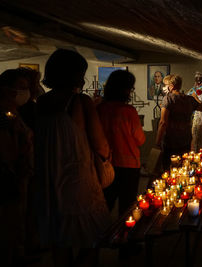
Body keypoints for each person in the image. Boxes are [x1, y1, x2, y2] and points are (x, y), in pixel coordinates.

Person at [35, 49, 111, 267]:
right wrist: (105, 158)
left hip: (49, 177)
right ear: (75, 74)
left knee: (60, 237)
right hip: (77, 177)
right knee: (92, 235)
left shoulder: (41, 102)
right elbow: (100, 143)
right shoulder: (80, 101)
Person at [97, 70, 146, 218]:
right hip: (129, 166)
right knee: (127, 208)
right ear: (125, 89)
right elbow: (140, 139)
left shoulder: (100, 109)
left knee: (105, 203)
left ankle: (102, 236)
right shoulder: (128, 111)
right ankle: (124, 238)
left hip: (105, 164)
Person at [0, 69, 33, 267]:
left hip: (19, 174)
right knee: (8, 223)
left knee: (17, 220)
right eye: (20, 88)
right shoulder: (4, 116)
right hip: (8, 176)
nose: (22, 93)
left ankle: (17, 254)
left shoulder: (14, 113)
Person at [156, 74, 202, 168]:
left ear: (171, 86)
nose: (165, 87)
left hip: (171, 142)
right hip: (186, 140)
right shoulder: (189, 99)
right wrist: (195, 97)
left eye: (166, 85)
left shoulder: (168, 99)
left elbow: (163, 123)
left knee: (169, 169)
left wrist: (157, 143)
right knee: (183, 168)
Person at [17, 67, 44, 132]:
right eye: (35, 83)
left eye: (38, 82)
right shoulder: (28, 107)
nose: (38, 87)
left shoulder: (34, 106)